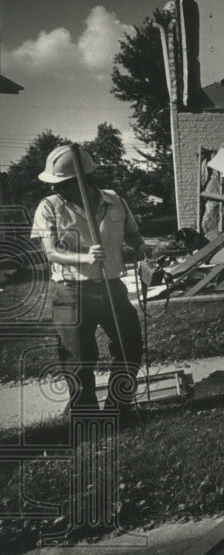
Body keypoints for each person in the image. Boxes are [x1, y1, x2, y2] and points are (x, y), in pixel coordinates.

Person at [31, 145, 146, 421]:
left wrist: (140, 247)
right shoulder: (49, 206)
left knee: (130, 345)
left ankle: (120, 408)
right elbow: (50, 253)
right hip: (71, 292)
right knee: (77, 356)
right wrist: (86, 256)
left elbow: (133, 236)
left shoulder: (114, 201)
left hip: (111, 287)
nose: (56, 189)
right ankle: (86, 416)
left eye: (64, 183)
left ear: (82, 180)